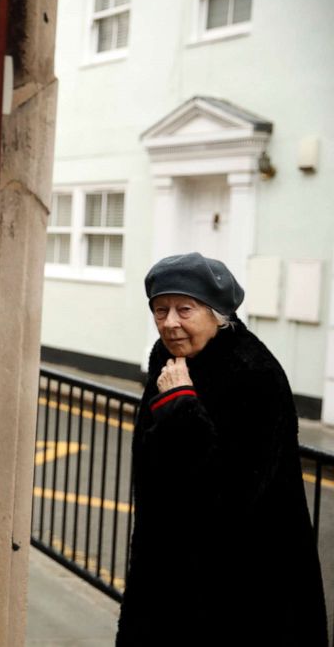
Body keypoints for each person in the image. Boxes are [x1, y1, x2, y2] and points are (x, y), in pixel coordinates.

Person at [116, 252, 328, 646]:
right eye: (160, 310)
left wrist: (180, 405)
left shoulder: (253, 372)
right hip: (170, 571)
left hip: (241, 585)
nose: (170, 322)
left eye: (185, 309)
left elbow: (228, 494)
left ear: (217, 314)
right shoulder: (169, 358)